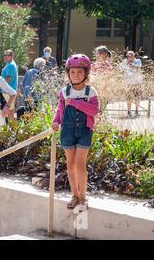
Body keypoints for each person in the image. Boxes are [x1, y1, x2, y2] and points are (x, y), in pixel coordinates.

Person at [52, 54, 99, 211]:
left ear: (86, 73)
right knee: (70, 165)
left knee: (80, 165)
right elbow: (60, 110)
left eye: (79, 72)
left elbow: (94, 111)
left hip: (84, 131)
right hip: (67, 130)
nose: (75, 75)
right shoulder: (64, 91)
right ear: (68, 73)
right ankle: (74, 195)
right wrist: (56, 121)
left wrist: (76, 103)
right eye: (72, 72)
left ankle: (83, 197)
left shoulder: (90, 92)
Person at [120, 51, 142, 117]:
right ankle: (129, 111)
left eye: (130, 56)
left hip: (137, 82)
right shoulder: (125, 61)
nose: (129, 57)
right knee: (128, 98)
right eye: (128, 56)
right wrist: (126, 63)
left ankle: (136, 111)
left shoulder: (138, 60)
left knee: (137, 97)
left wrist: (131, 64)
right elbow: (120, 68)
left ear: (133, 56)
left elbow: (138, 67)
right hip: (128, 83)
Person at [1, 50, 19, 119]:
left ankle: (12, 128)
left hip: (8, 91)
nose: (5, 57)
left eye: (7, 55)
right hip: (11, 90)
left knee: (9, 112)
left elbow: (8, 78)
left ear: (11, 56)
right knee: (10, 111)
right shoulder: (10, 63)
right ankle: (12, 128)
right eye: (4, 55)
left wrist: (0, 85)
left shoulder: (10, 65)